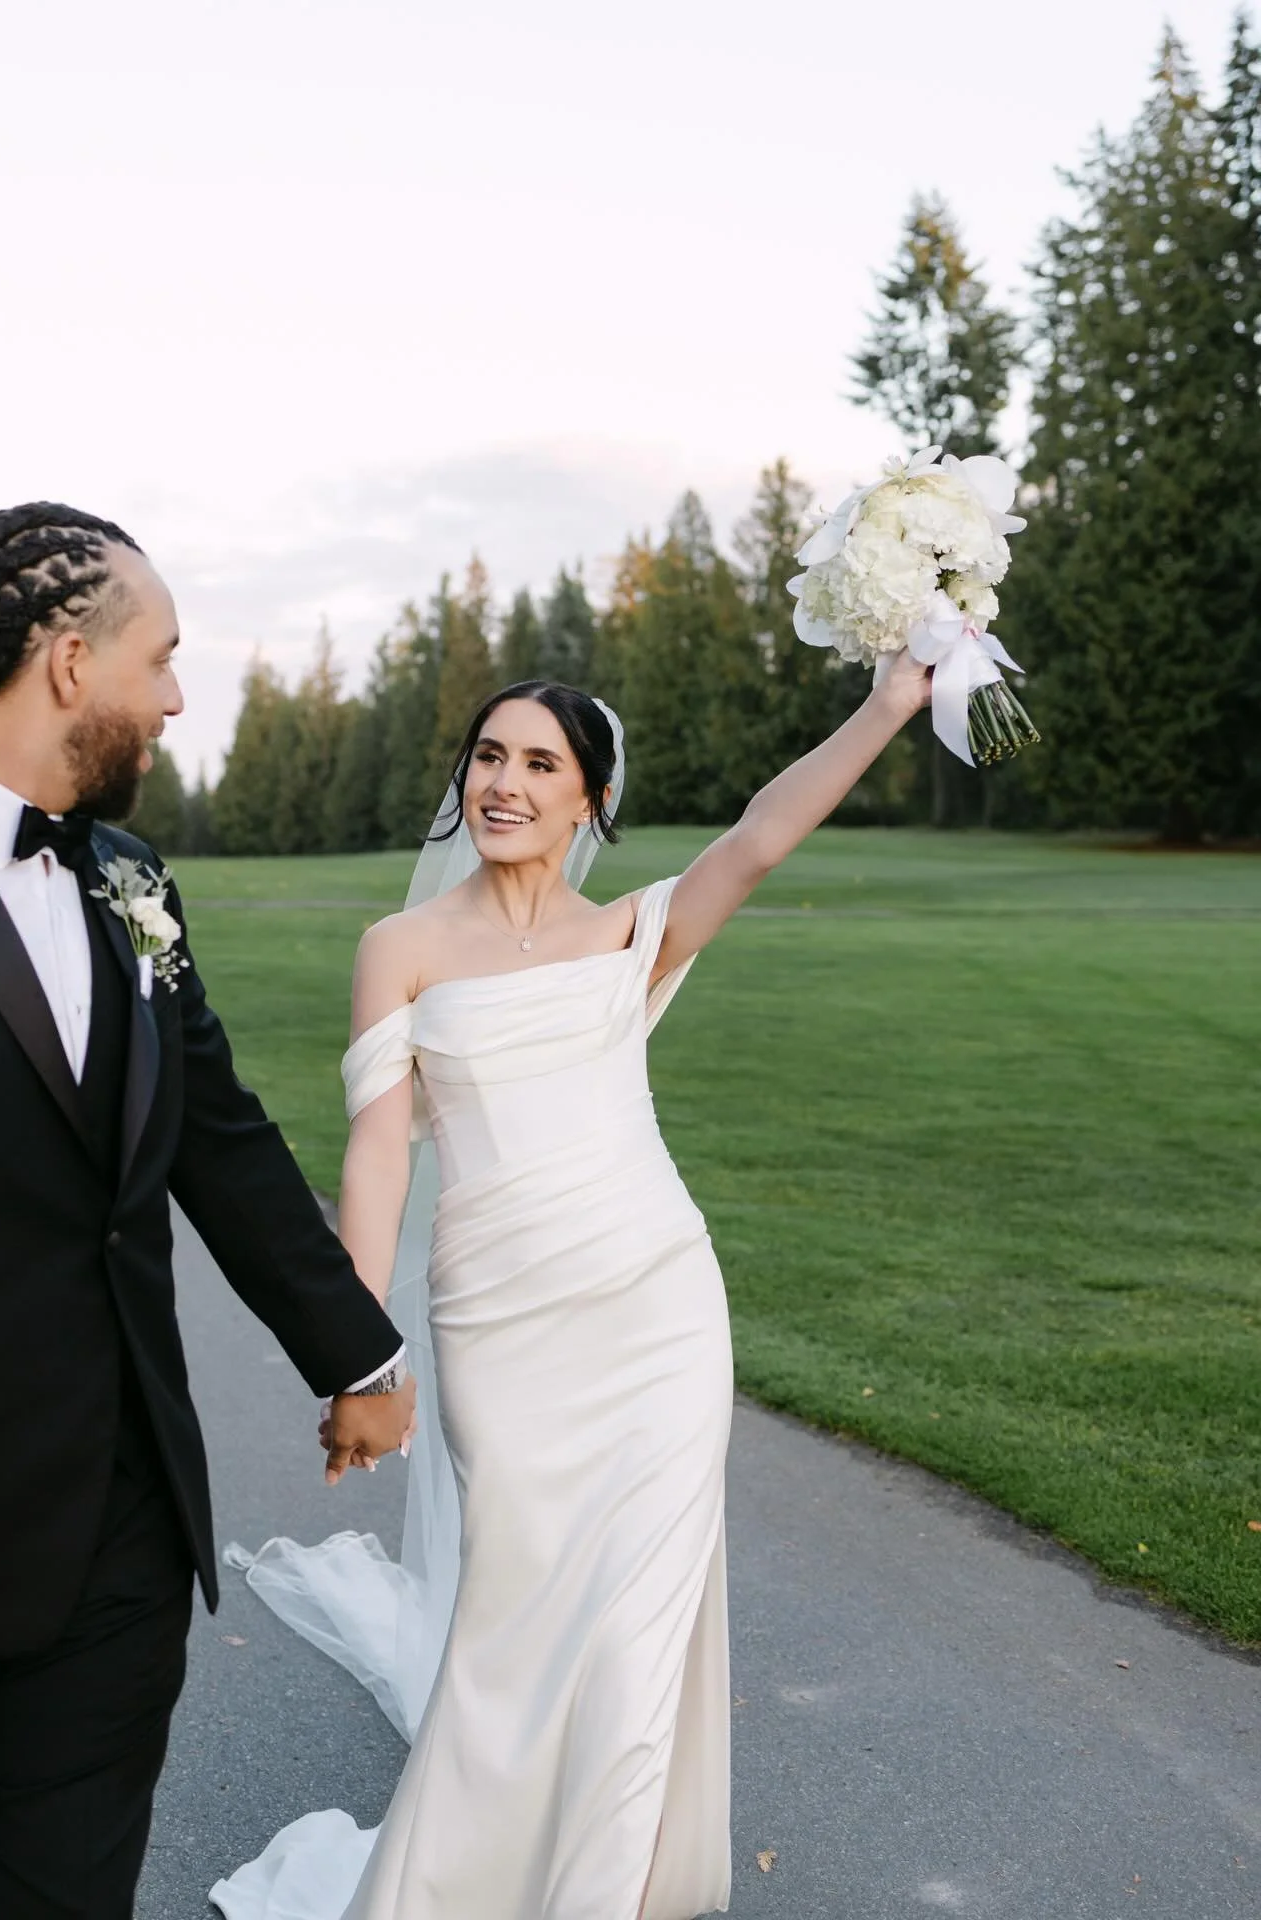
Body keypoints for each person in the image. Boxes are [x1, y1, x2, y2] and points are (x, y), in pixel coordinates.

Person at [211, 659, 931, 1920]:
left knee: (640, 1623)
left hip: (659, 1310)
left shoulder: (629, 933)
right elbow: (380, 1149)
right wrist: (359, 1355)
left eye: (540, 763)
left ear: (590, 796)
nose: (504, 783)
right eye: (490, 756)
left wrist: (887, 704)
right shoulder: (403, 950)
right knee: (516, 1620)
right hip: (501, 1325)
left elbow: (761, 837)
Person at [0, 504, 415, 1919]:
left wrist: (359, 1353)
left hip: (123, 1522)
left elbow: (218, 1135)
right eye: (161, 657)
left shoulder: (131, 880)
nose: (176, 695)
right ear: (68, 662)